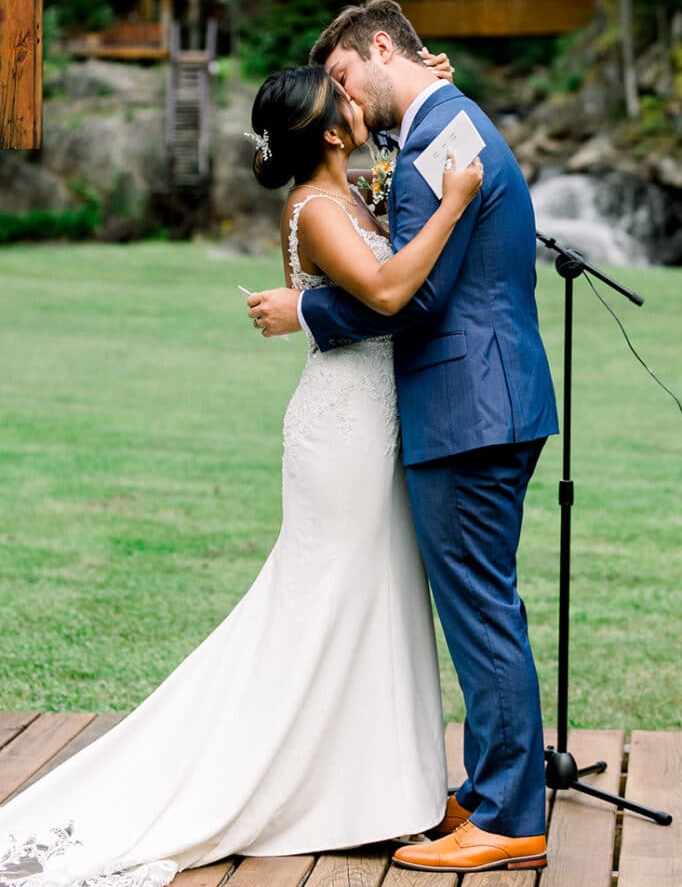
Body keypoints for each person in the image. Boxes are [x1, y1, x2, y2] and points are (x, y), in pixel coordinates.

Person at [0, 63, 483, 887]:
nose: (360, 103)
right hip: (342, 432)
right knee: (325, 601)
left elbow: (387, 208)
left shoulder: (348, 189)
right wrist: (456, 202)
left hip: (375, 421)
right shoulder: (315, 209)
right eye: (348, 101)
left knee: (376, 597)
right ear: (330, 131)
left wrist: (422, 90)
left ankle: (383, 787)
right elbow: (392, 290)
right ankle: (308, 779)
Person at [246, 0, 559, 875]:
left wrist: (307, 306)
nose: (344, 102)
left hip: (469, 408)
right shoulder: (442, 125)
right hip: (481, 400)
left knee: (482, 612)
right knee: (483, 605)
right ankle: (498, 790)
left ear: (381, 49)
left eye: (344, 78)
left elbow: (410, 298)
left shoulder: (438, 142)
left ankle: (506, 816)